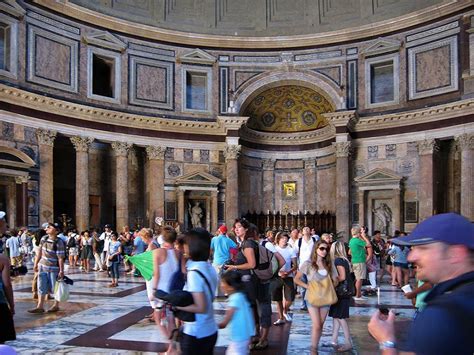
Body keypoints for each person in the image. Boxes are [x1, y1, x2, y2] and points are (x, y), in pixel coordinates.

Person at [368, 213, 474, 354]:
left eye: (423, 248)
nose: (411, 257)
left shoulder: (440, 314)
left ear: (455, 254)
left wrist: (386, 340)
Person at [175, 228, 218, 355]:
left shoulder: (194, 272)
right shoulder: (209, 267)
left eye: (187, 243)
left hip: (196, 333)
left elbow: (200, 307)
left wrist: (175, 305)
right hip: (210, 329)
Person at [294, 239, 338, 354]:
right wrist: (308, 286)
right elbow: (296, 279)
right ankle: (313, 349)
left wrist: (331, 284)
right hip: (312, 297)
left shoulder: (329, 263)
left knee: (320, 325)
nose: (324, 251)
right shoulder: (308, 264)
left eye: (326, 249)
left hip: (326, 297)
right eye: (321, 248)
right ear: (316, 249)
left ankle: (315, 346)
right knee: (317, 324)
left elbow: (336, 279)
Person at [149, 226, 181, 347]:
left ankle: (170, 343)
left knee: (157, 317)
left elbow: (157, 274)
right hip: (174, 291)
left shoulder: (157, 252)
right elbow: (182, 272)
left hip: (161, 291)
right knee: (171, 317)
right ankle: (174, 344)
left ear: (162, 238)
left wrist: (154, 291)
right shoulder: (178, 253)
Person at [28, 223, 66, 313]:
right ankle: (40, 306)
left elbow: (60, 258)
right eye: (47, 227)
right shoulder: (44, 238)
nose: (47, 228)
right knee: (41, 285)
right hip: (42, 266)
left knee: (54, 288)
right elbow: (39, 252)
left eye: (49, 227)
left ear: (56, 231)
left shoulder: (59, 242)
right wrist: (36, 264)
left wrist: (61, 270)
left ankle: (56, 305)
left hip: (53, 268)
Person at [218, 270, 255, 355]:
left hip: (238, 338)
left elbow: (224, 323)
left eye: (223, 283)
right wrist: (251, 335)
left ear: (231, 287)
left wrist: (209, 324)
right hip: (244, 337)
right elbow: (250, 316)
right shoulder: (242, 296)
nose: (221, 285)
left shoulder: (234, 299)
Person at [329, 241, 353, 352]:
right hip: (345, 291)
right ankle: (333, 340)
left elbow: (342, 277)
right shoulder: (345, 260)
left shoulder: (338, 260)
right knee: (336, 316)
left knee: (341, 317)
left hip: (341, 292)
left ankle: (348, 342)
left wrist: (331, 281)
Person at [271, 232, 297, 325]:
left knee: (290, 298)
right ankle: (281, 317)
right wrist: (278, 272)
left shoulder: (291, 250)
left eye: (286, 239)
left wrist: (288, 272)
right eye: (282, 238)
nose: (284, 240)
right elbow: (271, 263)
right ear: (278, 239)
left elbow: (295, 265)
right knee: (277, 298)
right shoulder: (274, 249)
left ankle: (285, 311)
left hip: (288, 276)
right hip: (277, 276)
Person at [210, 225, 236, 296]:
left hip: (216, 262)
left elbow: (211, 249)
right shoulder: (228, 240)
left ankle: (216, 294)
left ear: (220, 231)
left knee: (216, 279)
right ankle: (226, 293)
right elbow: (235, 246)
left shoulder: (214, 239)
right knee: (225, 279)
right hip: (226, 262)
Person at [295, 226, 317, 310]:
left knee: (312, 284)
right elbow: (296, 253)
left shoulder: (314, 240)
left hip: (312, 266)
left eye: (308, 229)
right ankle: (303, 304)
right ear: (302, 232)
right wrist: (297, 265)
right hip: (302, 266)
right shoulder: (299, 241)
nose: (306, 230)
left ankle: (312, 302)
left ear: (310, 231)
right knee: (303, 286)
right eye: (305, 229)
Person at [348, 226, 371, 301]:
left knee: (359, 278)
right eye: (360, 233)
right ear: (358, 233)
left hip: (355, 261)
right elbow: (368, 245)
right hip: (359, 261)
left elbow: (349, 252)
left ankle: (359, 294)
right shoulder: (357, 240)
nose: (361, 234)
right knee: (359, 279)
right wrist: (364, 237)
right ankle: (358, 295)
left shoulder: (351, 240)